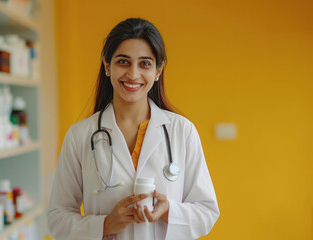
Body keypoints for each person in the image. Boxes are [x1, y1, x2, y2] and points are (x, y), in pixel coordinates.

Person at [47, 18, 219, 240]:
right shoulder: (80, 135)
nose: (133, 74)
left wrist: (169, 212)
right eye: (123, 62)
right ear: (107, 65)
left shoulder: (181, 131)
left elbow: (207, 212)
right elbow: (57, 217)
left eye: (145, 63)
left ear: (159, 70)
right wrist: (105, 225)